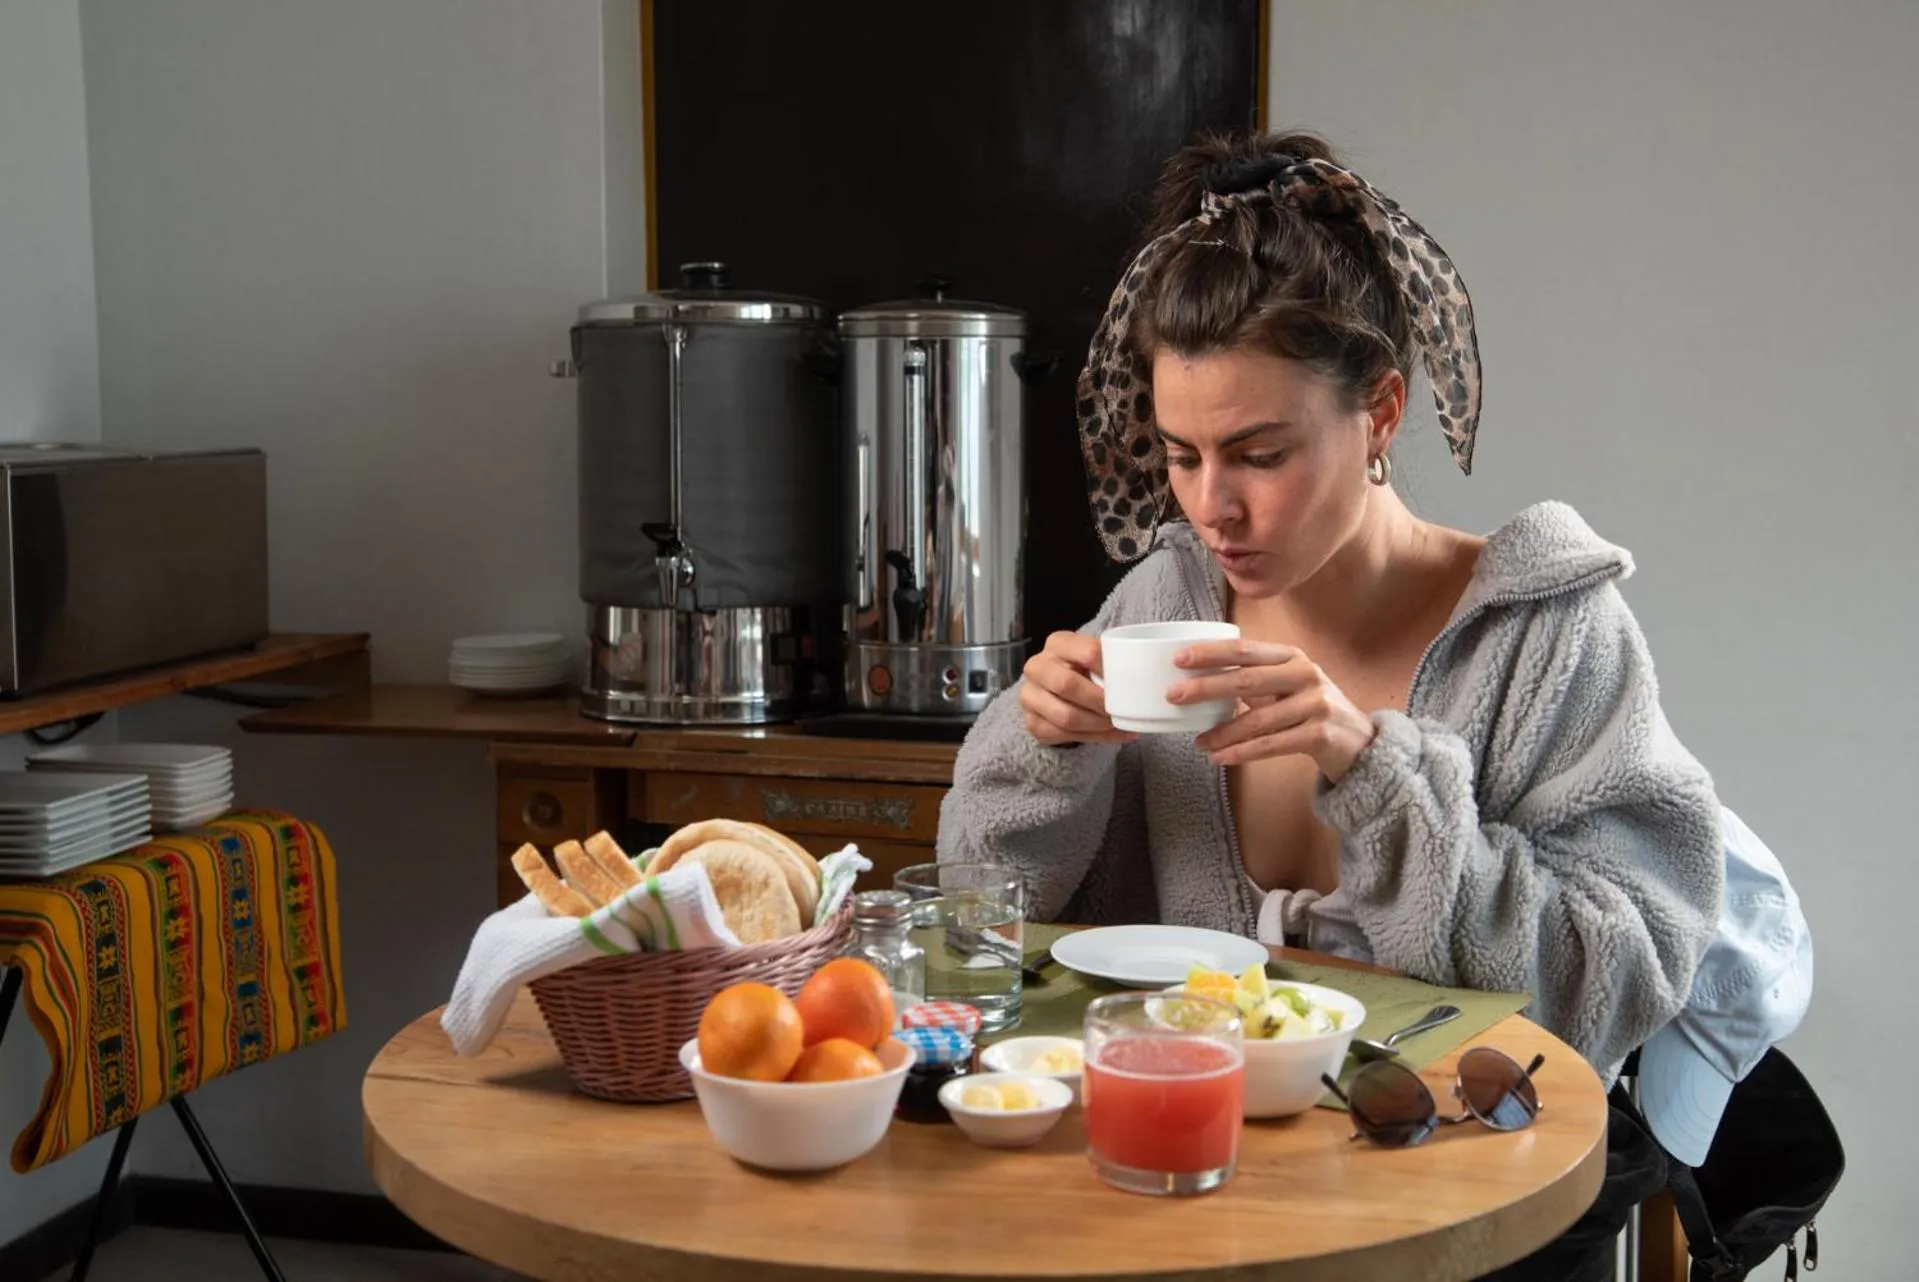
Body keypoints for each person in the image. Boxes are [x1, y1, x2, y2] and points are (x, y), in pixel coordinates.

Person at [935, 130, 1724, 1281]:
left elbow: (1617, 981)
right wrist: (1039, 745)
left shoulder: (1548, 635)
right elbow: (982, 919)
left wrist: (1380, 777)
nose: (1212, 506)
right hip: (1202, 1204)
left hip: (1471, 1212)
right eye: (1180, 454)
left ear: (1381, 412)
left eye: (1257, 453)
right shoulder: (1164, 605)